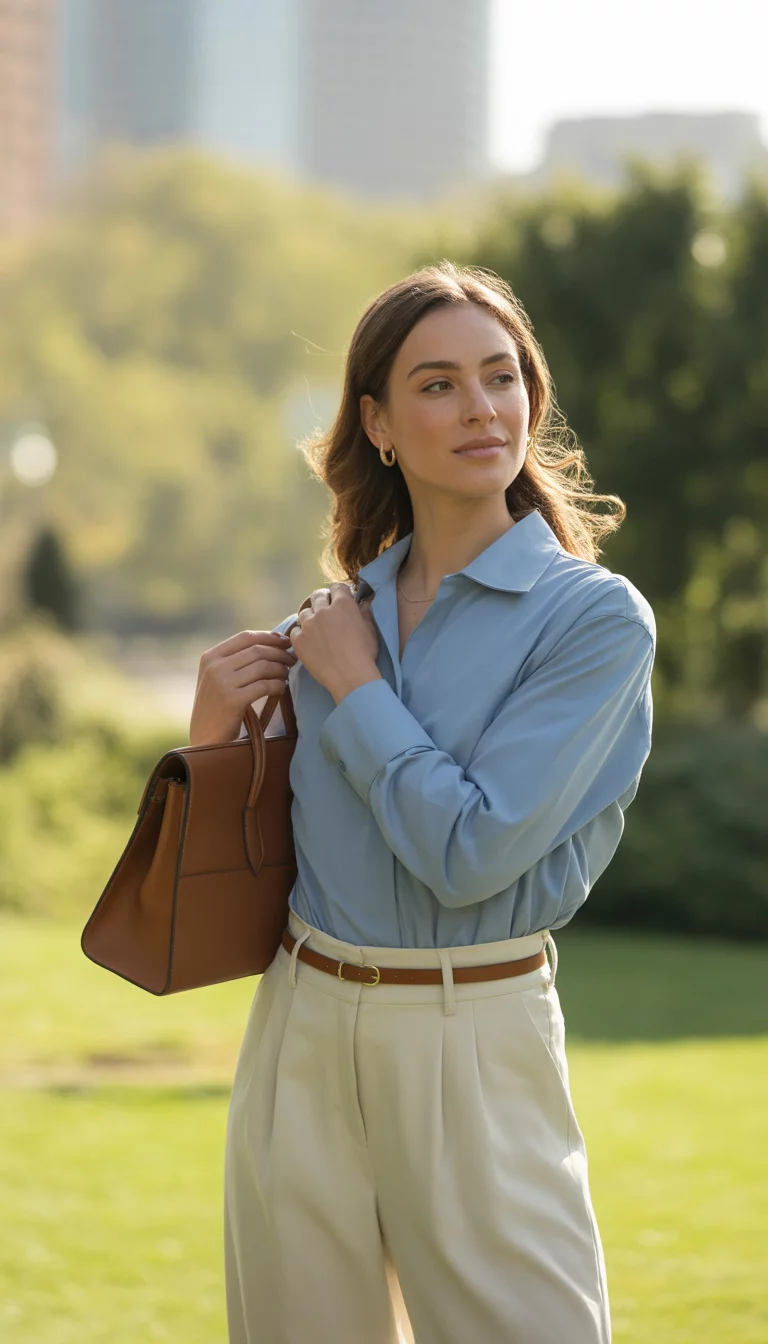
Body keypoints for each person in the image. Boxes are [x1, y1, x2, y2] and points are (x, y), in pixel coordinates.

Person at [190, 262, 656, 1344]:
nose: (482, 407)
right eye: (438, 384)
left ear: (532, 402)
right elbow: (257, 863)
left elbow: (472, 852)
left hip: (473, 1032)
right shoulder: (334, 619)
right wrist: (212, 738)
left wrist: (354, 685)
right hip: (297, 1026)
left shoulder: (592, 623)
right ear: (378, 423)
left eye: (501, 377)